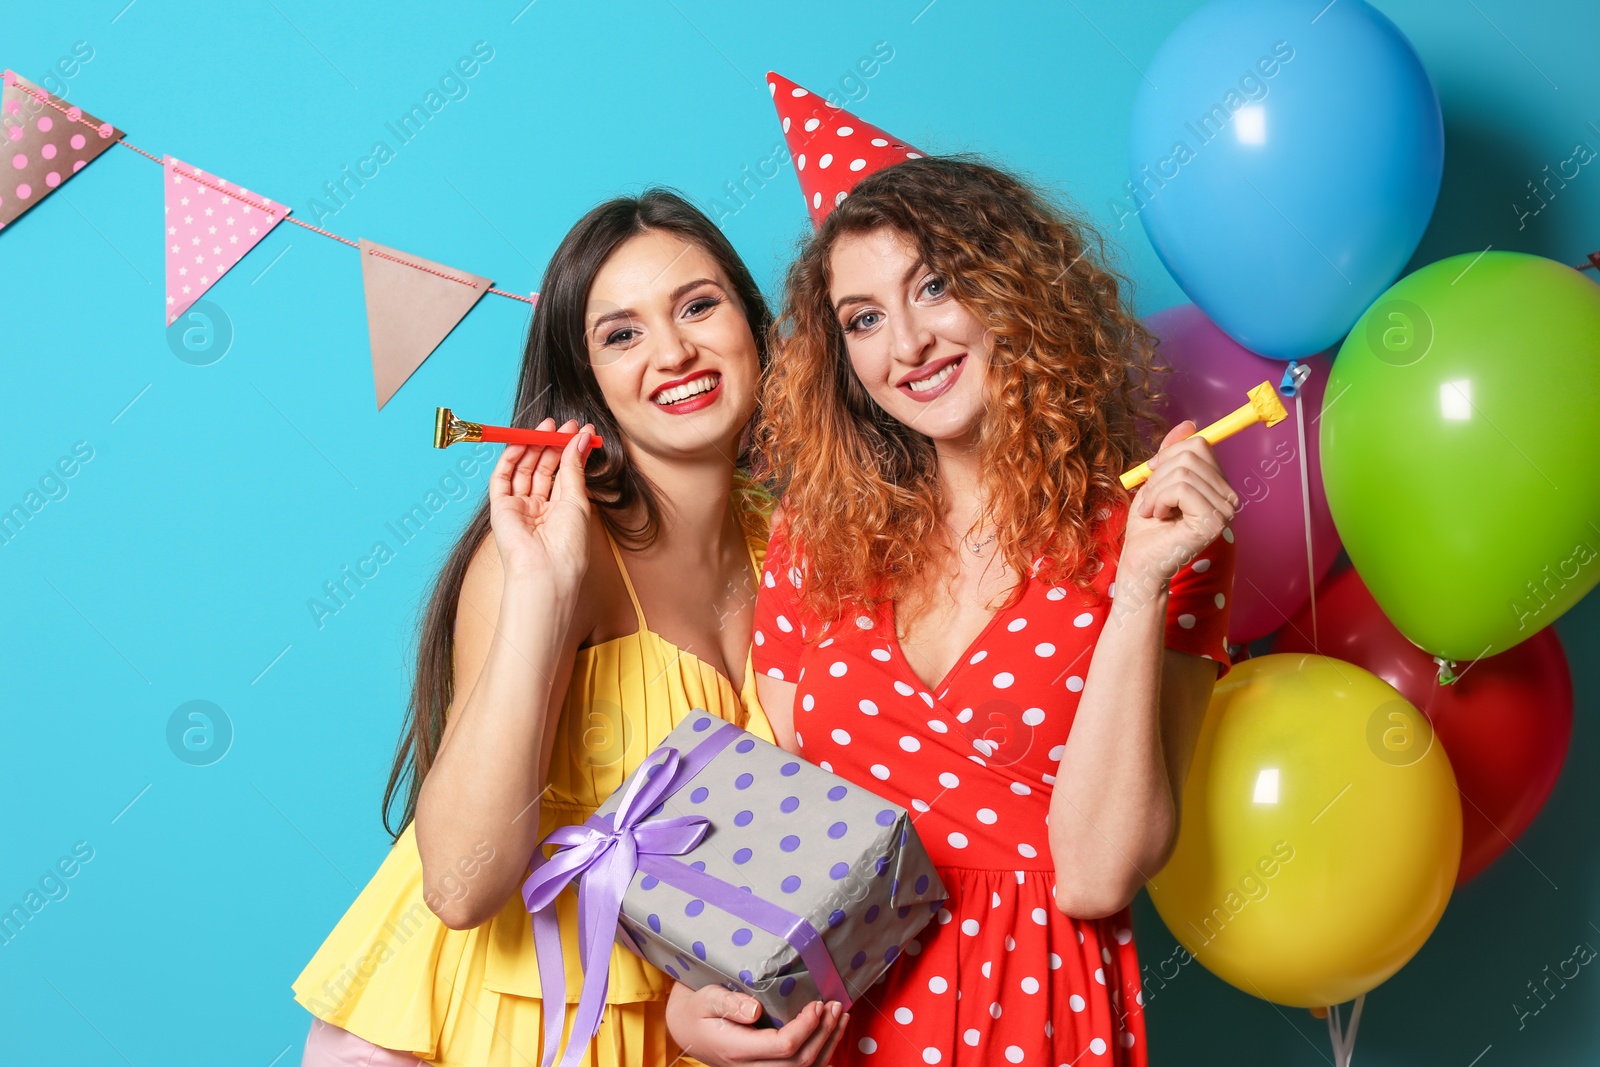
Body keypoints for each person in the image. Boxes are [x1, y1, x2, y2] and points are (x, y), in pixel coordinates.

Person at [292, 189, 846, 1067]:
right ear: (586, 380)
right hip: (505, 1019)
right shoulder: (543, 556)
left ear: (753, 321)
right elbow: (462, 886)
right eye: (621, 333)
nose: (672, 351)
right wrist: (544, 594)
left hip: (673, 1026)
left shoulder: (792, 542)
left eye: (698, 305)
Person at [744, 155, 1239, 1065]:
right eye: (864, 319)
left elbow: (1096, 874)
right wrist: (707, 1007)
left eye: (934, 287)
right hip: (833, 1018)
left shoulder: (1157, 535)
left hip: (1036, 1010)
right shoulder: (814, 536)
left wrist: (1137, 586)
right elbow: (777, 838)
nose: (907, 345)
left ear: (1015, 285)